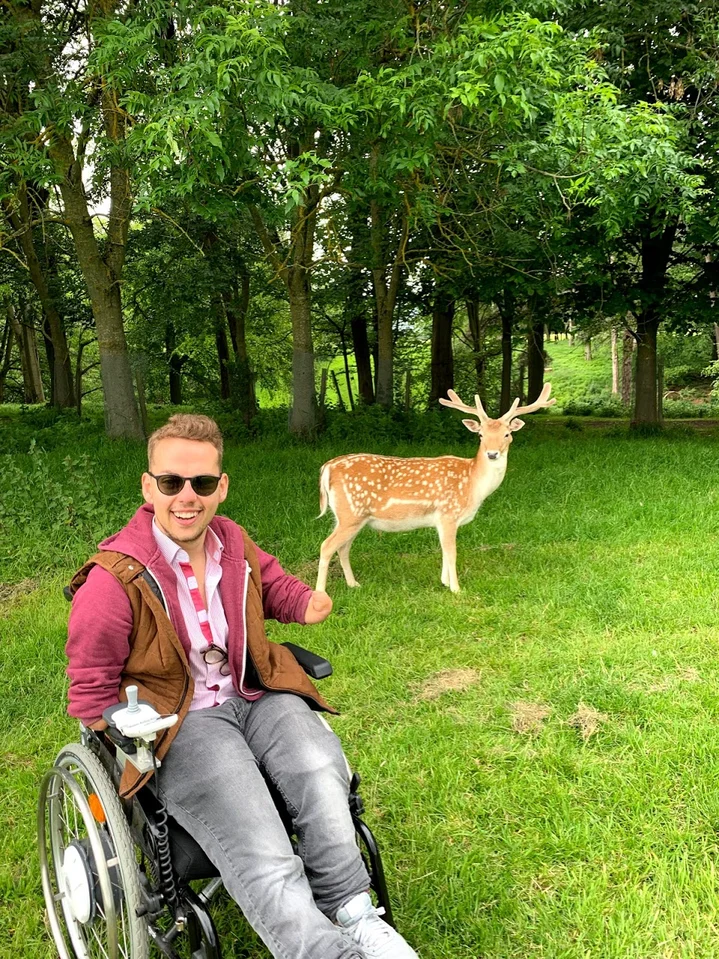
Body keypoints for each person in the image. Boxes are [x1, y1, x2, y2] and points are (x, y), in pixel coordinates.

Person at [65, 414, 419, 959]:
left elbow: (270, 581)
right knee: (260, 838)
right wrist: (118, 725)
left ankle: (351, 908)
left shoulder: (231, 539)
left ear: (221, 486)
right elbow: (90, 694)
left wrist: (303, 602)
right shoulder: (114, 579)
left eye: (203, 483)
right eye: (171, 483)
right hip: (180, 721)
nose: (188, 496)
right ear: (147, 485)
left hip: (252, 691)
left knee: (319, 768)